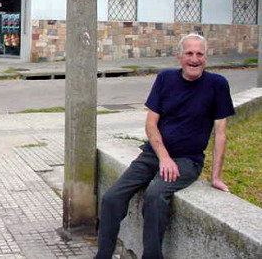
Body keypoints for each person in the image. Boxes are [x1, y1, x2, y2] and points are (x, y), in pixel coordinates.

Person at [95, 33, 235, 259]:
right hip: (154, 155)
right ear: (179, 57)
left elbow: (221, 133)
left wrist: (216, 176)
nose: (195, 59)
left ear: (206, 58)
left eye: (200, 54)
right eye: (189, 53)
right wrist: (163, 156)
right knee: (112, 198)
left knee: (155, 195)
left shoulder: (217, 85)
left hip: (187, 160)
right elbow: (151, 124)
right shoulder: (165, 78)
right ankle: (103, 255)